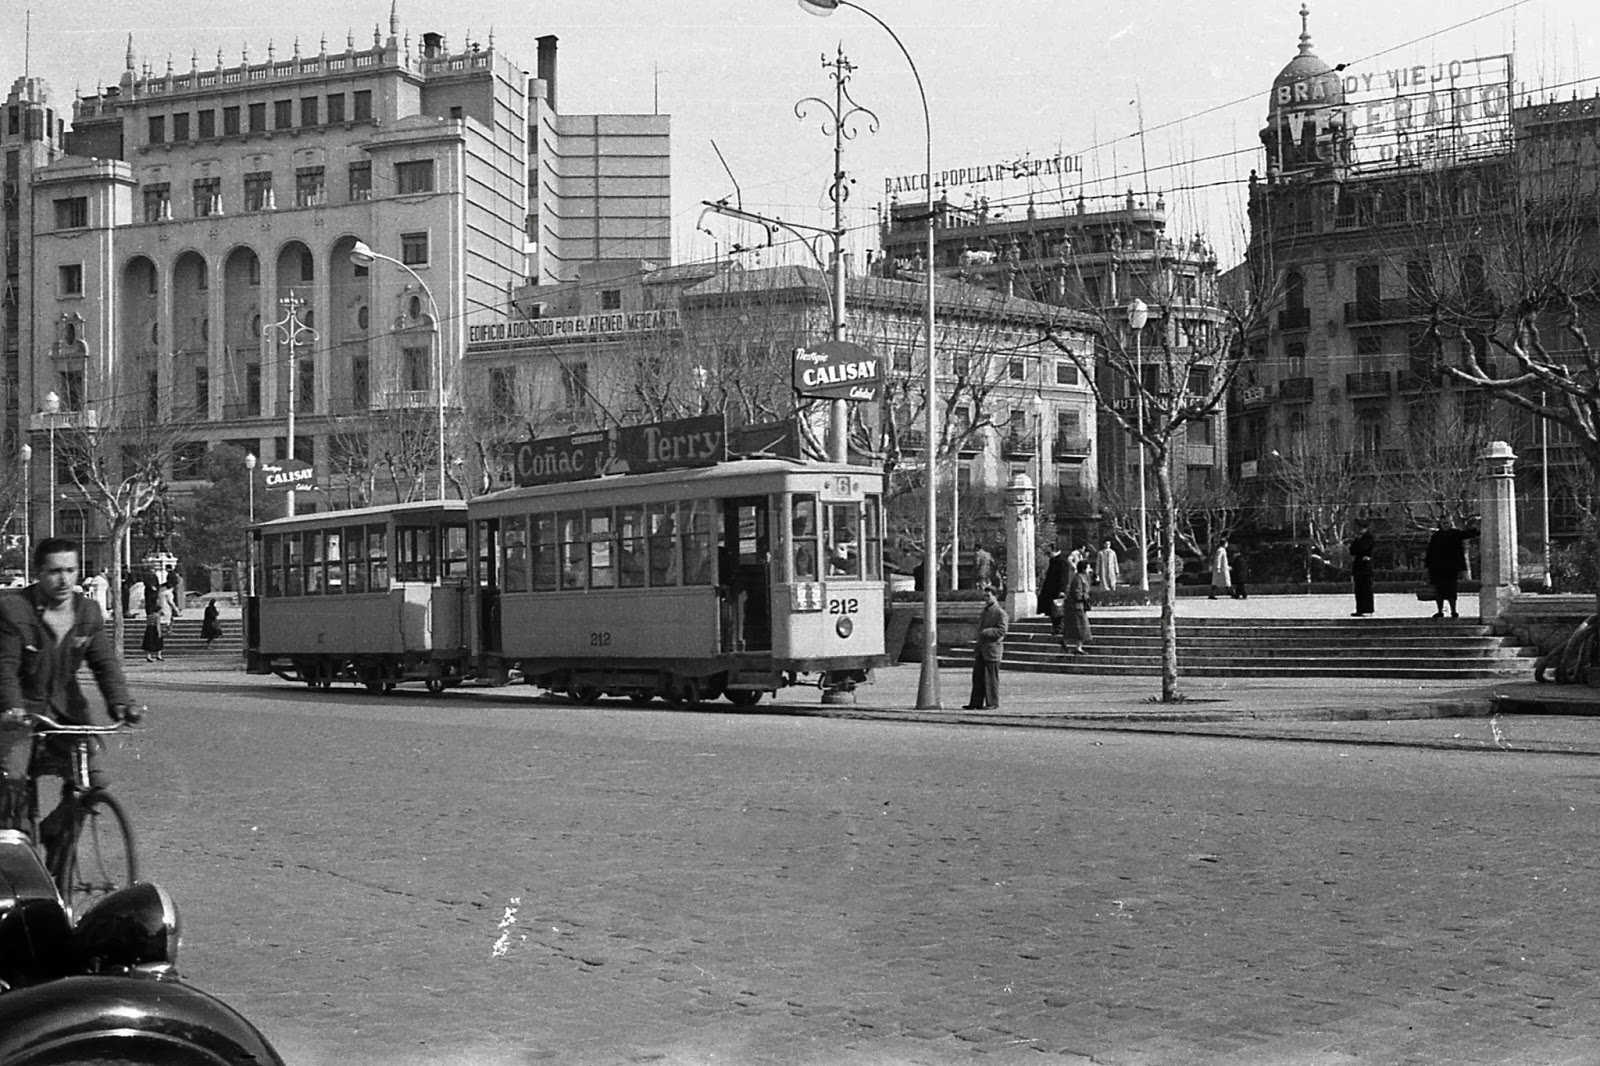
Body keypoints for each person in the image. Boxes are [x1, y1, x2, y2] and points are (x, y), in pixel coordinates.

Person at [0, 538, 135, 840]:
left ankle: (57, 831)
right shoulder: (14, 610)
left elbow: (105, 665)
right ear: (38, 573)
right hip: (20, 713)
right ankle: (16, 859)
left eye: (71, 570)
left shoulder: (87, 611)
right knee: (12, 783)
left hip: (67, 713)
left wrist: (122, 703)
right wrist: (12, 706)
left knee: (93, 783)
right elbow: (5, 667)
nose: (63, 579)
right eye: (54, 571)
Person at [1425, 516, 1481, 619]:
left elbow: (1466, 534)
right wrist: (1427, 567)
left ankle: (1453, 611)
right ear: (1440, 524)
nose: (1445, 525)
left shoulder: (1455, 533)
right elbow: (1430, 553)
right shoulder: (1436, 536)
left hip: (1451, 568)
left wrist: (1478, 530)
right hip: (1437, 568)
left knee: (1452, 590)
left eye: (1447, 523)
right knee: (1438, 591)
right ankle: (1440, 611)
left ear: (1450, 524)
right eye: (1443, 523)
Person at [963, 586, 1008, 710]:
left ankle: (992, 703)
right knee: (978, 677)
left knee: (991, 679)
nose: (986, 599)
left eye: (989, 596)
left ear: (995, 596)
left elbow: (1002, 630)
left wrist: (987, 632)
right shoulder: (984, 612)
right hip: (982, 649)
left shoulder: (999, 613)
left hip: (992, 649)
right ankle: (975, 702)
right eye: (985, 596)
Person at [1061, 558, 1093, 655]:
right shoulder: (1079, 578)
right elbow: (1077, 593)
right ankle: (1075, 646)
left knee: (1078, 627)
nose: (1089, 569)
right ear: (1084, 569)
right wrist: (1085, 596)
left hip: (1078, 606)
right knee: (1082, 627)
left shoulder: (1080, 577)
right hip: (1077, 606)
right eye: (1088, 567)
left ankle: (1073, 645)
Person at [1349, 521, 1377, 617]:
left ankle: (1368, 609)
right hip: (1358, 567)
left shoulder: (1369, 537)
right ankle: (1360, 609)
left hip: (1365, 568)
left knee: (1366, 589)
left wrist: (1359, 542)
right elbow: (1352, 551)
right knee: (1359, 589)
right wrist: (1357, 540)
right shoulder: (1358, 538)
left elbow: (1363, 548)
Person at [1037, 546, 1066, 636]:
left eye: (1050, 552)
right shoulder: (1054, 561)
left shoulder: (1061, 562)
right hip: (1051, 590)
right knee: (1053, 611)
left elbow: (1064, 577)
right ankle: (1057, 628)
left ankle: (1059, 628)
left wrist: (1062, 590)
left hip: (1056, 591)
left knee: (1058, 611)